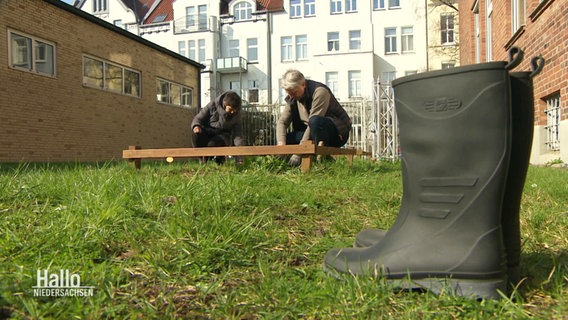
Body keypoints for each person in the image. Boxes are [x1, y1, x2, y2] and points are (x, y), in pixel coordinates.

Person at [277, 69, 352, 166]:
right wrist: (281, 145)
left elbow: (313, 123)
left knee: (315, 121)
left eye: (294, 92)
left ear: (303, 85)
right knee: (287, 138)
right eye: (289, 93)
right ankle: (326, 161)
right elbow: (282, 122)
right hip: (312, 132)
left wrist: (298, 153)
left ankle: (322, 159)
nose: (291, 96)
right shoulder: (293, 98)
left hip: (336, 133)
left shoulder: (320, 92)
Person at [191, 91, 244, 164]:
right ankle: (203, 159)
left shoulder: (236, 116)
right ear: (225, 103)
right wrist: (196, 126)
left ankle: (219, 160)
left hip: (223, 136)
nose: (232, 112)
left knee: (214, 143)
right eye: (230, 109)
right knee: (195, 135)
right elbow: (198, 118)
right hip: (208, 131)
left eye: (234, 111)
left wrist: (239, 158)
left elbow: (238, 136)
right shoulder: (212, 105)